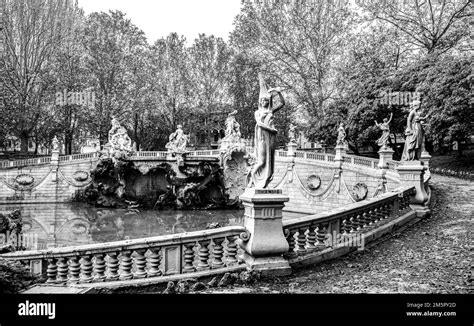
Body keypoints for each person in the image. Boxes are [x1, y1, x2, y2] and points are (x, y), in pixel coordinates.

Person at [248, 73, 285, 189]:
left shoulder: (271, 111)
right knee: (262, 161)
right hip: (263, 137)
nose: (265, 102)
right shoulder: (257, 112)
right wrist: (272, 129)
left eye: (266, 101)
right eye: (263, 100)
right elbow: (259, 123)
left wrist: (278, 92)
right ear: (260, 101)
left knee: (270, 161)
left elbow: (282, 103)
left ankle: (265, 181)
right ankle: (251, 179)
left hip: (271, 138)